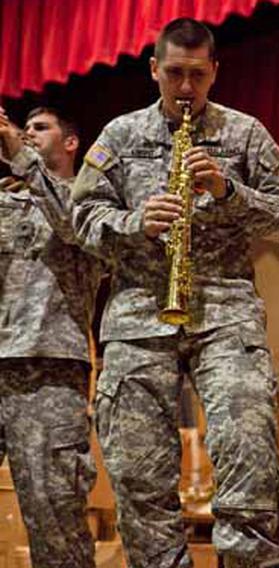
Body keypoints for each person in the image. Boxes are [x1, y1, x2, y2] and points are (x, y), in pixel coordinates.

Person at [70, 17, 279, 568]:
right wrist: (133, 223)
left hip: (225, 312)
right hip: (137, 316)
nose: (185, 88)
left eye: (197, 75)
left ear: (215, 72)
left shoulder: (245, 134)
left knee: (250, 455)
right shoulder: (120, 137)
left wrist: (228, 191)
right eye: (174, 73)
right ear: (154, 69)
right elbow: (80, 218)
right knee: (136, 475)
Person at [0, 105, 101, 567]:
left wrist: (21, 157)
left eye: (41, 128)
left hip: (48, 372)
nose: (27, 134)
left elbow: (73, 227)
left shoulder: (90, 201)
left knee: (55, 518)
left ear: (71, 142)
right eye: (24, 129)